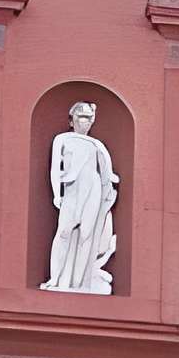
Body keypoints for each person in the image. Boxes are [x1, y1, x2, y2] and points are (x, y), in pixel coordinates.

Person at [42, 100, 118, 294]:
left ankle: (79, 282)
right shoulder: (62, 139)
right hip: (72, 189)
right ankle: (56, 278)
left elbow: (107, 171)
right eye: (81, 117)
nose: (85, 122)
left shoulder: (96, 144)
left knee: (86, 235)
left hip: (92, 189)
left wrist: (110, 183)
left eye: (89, 118)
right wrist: (56, 194)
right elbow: (54, 169)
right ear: (72, 120)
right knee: (64, 232)